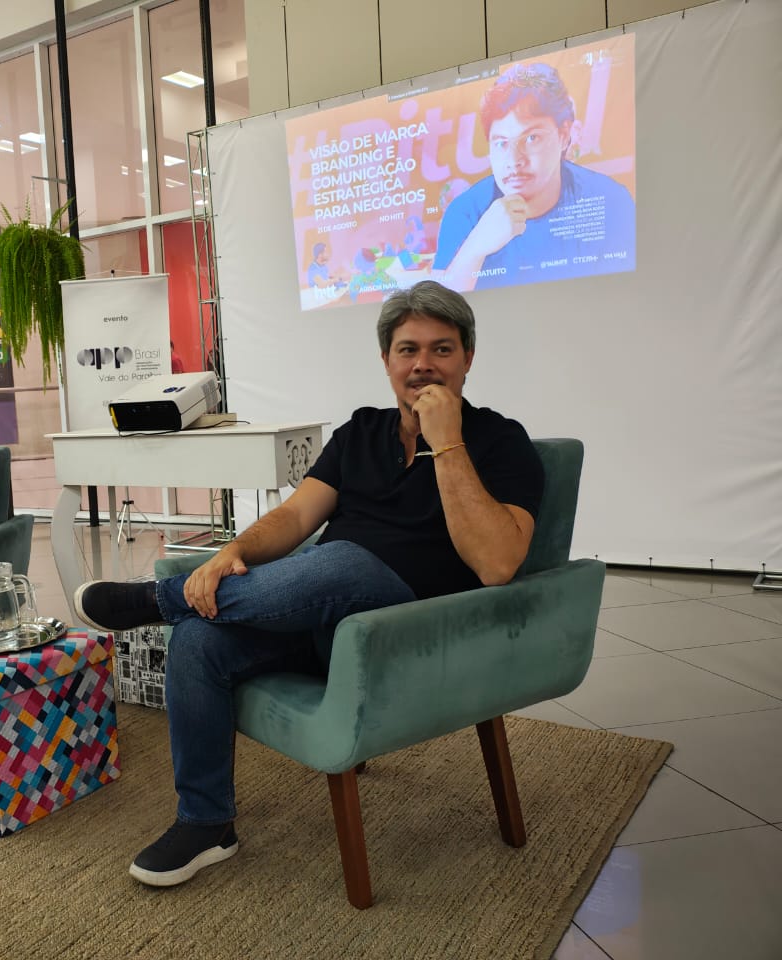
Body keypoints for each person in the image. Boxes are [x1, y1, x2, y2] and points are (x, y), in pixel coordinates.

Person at [73, 280, 544, 888]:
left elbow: (498, 564)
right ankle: (206, 822)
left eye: (442, 349)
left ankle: (154, 600)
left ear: (468, 358)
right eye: (407, 349)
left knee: (346, 560)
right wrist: (233, 552)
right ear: (386, 360)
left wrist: (447, 443)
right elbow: (296, 518)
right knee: (199, 640)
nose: (423, 364)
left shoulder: (501, 441)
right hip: (321, 620)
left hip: (412, 636)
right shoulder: (360, 432)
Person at [434, 61, 636, 292]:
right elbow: (438, 308)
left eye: (532, 138)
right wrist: (475, 247)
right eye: (501, 143)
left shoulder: (610, 200)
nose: (514, 160)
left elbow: (627, 295)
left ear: (564, 136)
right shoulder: (465, 212)